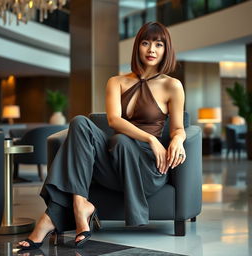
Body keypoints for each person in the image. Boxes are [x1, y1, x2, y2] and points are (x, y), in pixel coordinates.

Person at [18, 21, 186, 250]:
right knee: (80, 123)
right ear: (137, 46)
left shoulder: (172, 86)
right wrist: (151, 138)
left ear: (167, 49)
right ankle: (80, 204)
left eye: (159, 44)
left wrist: (177, 139)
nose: (152, 50)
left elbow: (177, 128)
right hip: (115, 163)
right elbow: (113, 121)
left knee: (121, 141)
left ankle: (48, 221)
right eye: (146, 43)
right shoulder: (116, 82)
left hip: (147, 169)